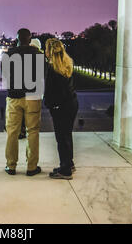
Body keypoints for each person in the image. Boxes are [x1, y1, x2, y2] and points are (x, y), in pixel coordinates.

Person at [4, 28, 43, 176]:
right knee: (32, 131)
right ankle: (32, 167)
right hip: (32, 96)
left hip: (14, 96)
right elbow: (41, 77)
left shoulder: (9, 54)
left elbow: (5, 76)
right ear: (30, 38)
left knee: (12, 132)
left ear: (17, 38)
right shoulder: (38, 55)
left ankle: (11, 165)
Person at [44, 38, 78, 179]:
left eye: (46, 48)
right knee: (67, 136)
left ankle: (65, 171)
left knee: (61, 139)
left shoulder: (52, 69)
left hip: (61, 107)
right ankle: (68, 163)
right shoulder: (67, 64)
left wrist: (50, 105)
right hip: (72, 104)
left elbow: (51, 92)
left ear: (50, 51)